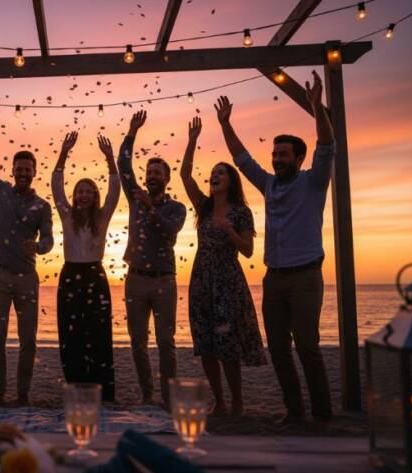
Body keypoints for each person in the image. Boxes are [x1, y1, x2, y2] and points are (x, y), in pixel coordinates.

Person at [214, 70, 335, 423]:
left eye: (284, 155)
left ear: (299, 158)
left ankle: (323, 413)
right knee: (279, 349)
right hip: (273, 278)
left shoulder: (314, 182)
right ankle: (294, 410)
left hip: (305, 277)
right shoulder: (268, 185)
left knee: (309, 348)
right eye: (275, 154)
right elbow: (243, 159)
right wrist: (225, 125)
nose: (277, 159)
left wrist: (316, 109)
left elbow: (326, 145)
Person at [179, 116, 266, 417]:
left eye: (221, 173)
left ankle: (238, 401)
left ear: (231, 181)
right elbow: (185, 175)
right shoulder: (203, 207)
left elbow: (249, 251)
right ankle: (220, 400)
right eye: (213, 173)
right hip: (202, 279)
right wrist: (192, 140)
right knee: (205, 343)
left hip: (227, 280)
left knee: (227, 343)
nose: (214, 176)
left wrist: (229, 232)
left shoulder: (242, 212)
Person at [0, 107, 54, 406]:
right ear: (13, 171)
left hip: (27, 278)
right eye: (18, 168)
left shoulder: (43, 206)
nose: (22, 172)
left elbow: (48, 237)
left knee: (28, 340)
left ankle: (22, 392)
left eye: (27, 169)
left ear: (34, 172)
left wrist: (41, 247)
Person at [117, 110, 187, 406]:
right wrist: (132, 132)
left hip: (163, 281)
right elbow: (123, 164)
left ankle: (169, 398)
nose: (152, 176)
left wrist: (150, 208)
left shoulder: (176, 208)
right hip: (135, 278)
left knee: (166, 342)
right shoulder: (135, 196)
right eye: (149, 172)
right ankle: (147, 394)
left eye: (158, 173)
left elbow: (169, 233)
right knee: (137, 342)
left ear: (167, 179)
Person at [51, 131, 120, 402]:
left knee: (99, 334)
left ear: (94, 195)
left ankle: (103, 393)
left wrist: (110, 159)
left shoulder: (102, 217)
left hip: (95, 275)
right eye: (80, 191)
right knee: (71, 335)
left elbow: (115, 190)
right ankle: (76, 389)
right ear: (75, 195)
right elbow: (56, 185)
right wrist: (63, 153)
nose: (83, 195)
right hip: (70, 276)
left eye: (88, 191)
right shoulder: (67, 215)